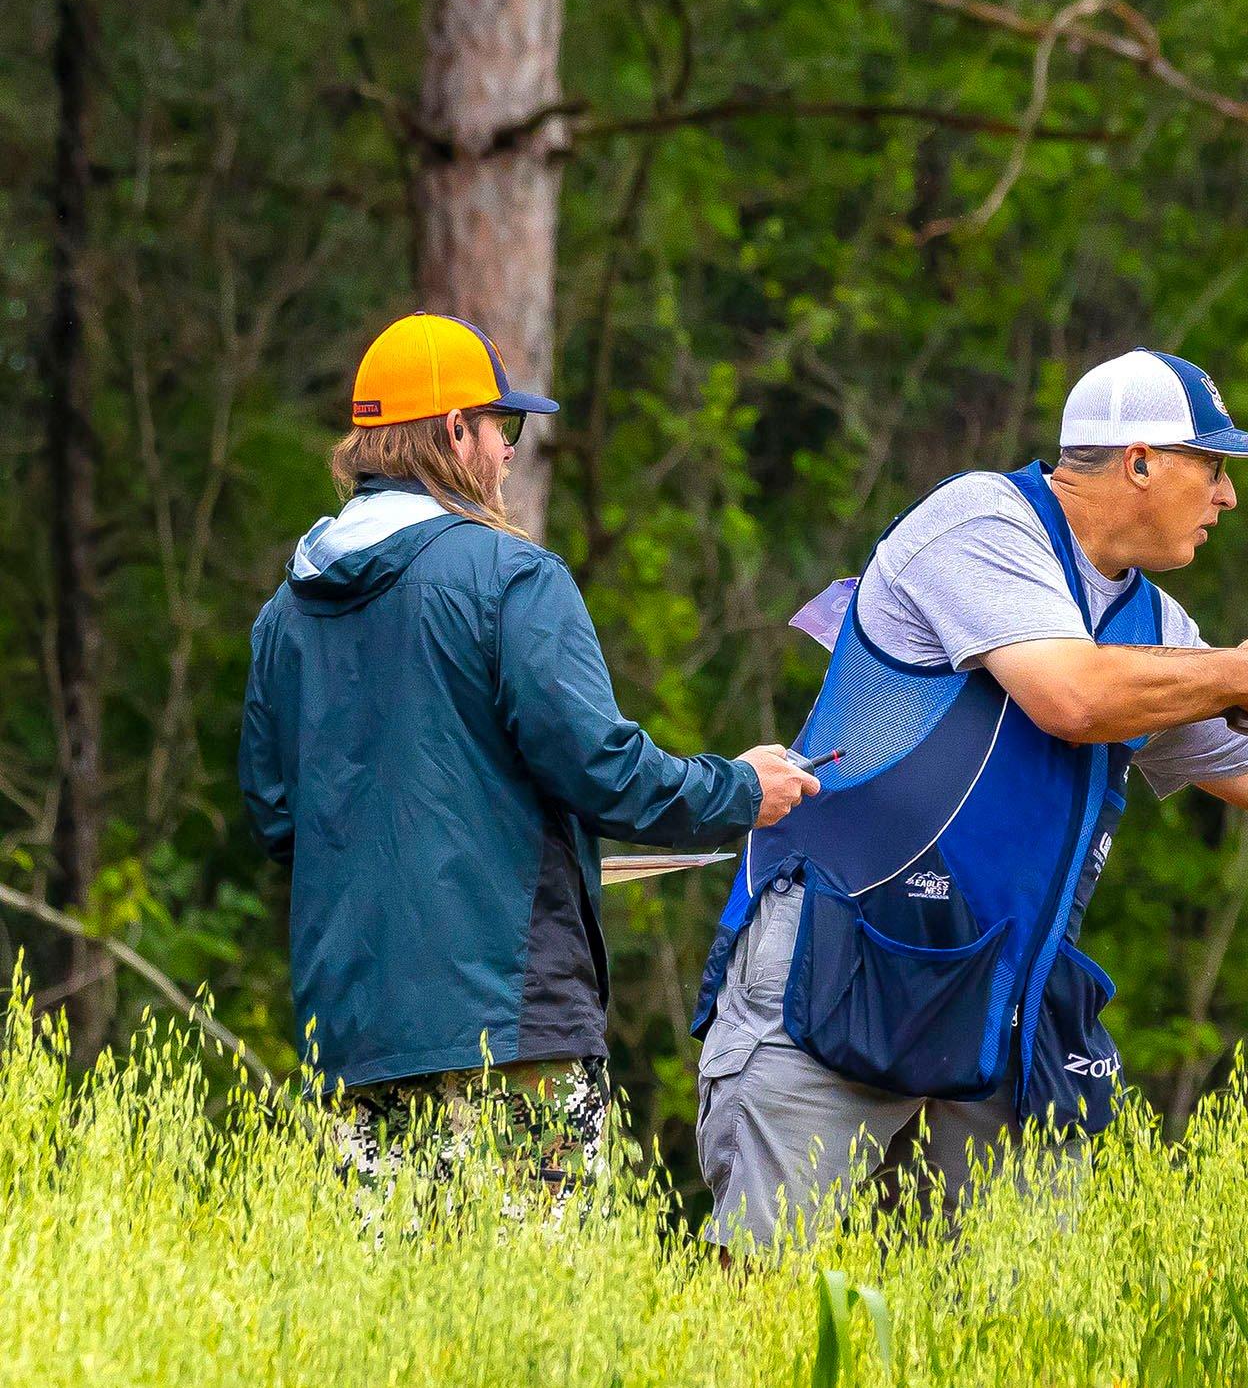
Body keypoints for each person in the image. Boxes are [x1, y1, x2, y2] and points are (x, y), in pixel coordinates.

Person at [692, 348, 1248, 1246]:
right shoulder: (981, 521)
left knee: (1026, 1332)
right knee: (765, 1295)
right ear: (1140, 460)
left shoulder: (1157, 625)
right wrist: (1236, 669)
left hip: (1004, 988)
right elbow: (1073, 697)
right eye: (1215, 467)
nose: (1228, 497)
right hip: (845, 957)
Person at [239, 312, 820, 1191]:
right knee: (535, 1317)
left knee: (385, 1322)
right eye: (501, 426)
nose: (511, 451)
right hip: (515, 1035)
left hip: (354, 1043)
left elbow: (282, 820)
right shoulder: (513, 578)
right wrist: (740, 788)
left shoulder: (282, 618)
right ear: (451, 433)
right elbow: (604, 772)